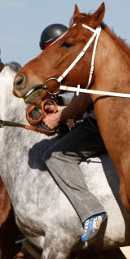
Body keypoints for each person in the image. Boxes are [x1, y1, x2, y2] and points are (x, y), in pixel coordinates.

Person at [38, 23, 107, 242]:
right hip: (97, 120)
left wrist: (59, 116)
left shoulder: (83, 66)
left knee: (55, 156)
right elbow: (81, 103)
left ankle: (91, 212)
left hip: (99, 124)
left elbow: (87, 97)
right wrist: (59, 110)